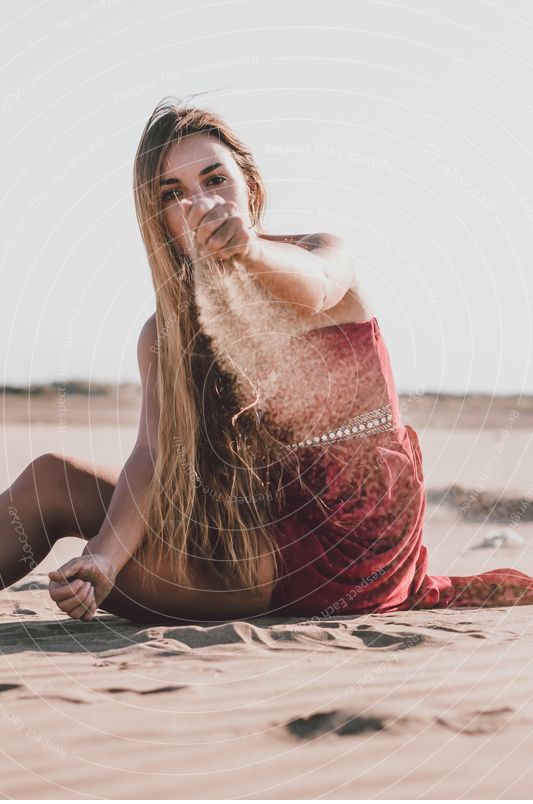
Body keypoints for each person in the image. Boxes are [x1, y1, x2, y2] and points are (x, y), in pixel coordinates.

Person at [2, 96, 532, 623]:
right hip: (251, 523)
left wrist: (247, 249)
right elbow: (153, 457)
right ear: (158, 216)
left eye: (215, 180)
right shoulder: (165, 334)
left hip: (345, 545)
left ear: (248, 187)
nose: (200, 204)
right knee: (52, 480)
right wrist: (104, 558)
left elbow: (314, 287)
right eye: (174, 193)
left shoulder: (320, 257)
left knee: (55, 490)